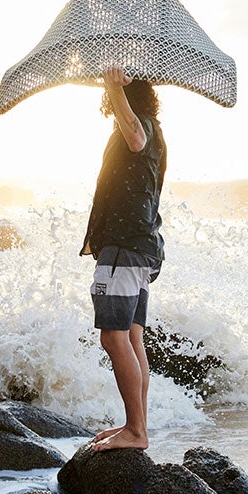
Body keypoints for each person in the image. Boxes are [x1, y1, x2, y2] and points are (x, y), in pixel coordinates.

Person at [81, 66, 167, 452]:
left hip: (126, 247)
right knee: (132, 337)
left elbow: (133, 135)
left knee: (113, 338)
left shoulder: (141, 128)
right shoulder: (154, 131)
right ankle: (137, 425)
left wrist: (113, 87)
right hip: (139, 247)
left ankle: (136, 430)